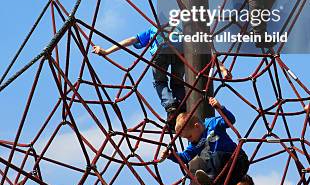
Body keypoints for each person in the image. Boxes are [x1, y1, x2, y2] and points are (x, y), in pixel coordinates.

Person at [92, 23, 231, 123]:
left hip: (160, 53)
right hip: (179, 54)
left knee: (160, 82)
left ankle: (171, 107)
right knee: (178, 82)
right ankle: (181, 106)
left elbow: (131, 40)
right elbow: (205, 48)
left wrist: (107, 51)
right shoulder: (184, 28)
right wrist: (223, 70)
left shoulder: (155, 27)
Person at [161, 97, 249, 185]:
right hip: (224, 172)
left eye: (189, 136)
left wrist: (220, 108)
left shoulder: (212, 124)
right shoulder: (195, 144)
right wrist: (171, 155)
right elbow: (185, 156)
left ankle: (211, 178)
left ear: (197, 126)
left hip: (237, 161)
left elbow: (231, 120)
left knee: (214, 156)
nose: (190, 140)